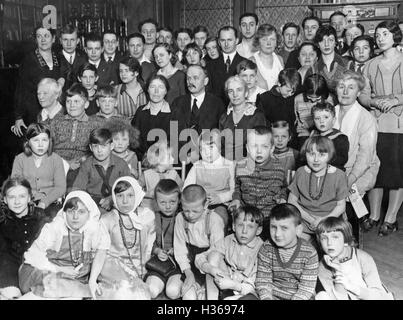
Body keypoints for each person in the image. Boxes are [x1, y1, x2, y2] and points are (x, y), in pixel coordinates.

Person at [19, 191, 110, 299]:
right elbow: (33, 257)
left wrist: (92, 280)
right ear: (64, 212)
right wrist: (60, 269)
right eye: (71, 211)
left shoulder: (94, 229)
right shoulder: (54, 228)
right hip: (44, 272)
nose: (75, 217)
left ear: (89, 213)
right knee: (55, 285)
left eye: (81, 212)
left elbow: (101, 251)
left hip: (76, 280)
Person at [359, 21, 403, 236]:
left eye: (385, 34)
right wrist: (375, 102)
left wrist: (395, 100)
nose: (380, 38)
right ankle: (374, 215)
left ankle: (391, 218)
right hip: (375, 124)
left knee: (397, 173)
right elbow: (363, 95)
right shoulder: (370, 65)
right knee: (375, 169)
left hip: (400, 125)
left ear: (395, 36)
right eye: (377, 35)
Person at [333, 71, 379, 242]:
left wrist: (348, 180)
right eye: (341, 87)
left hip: (359, 171)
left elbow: (365, 156)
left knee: (350, 208)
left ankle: (354, 246)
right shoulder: (330, 112)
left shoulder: (367, 118)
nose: (345, 92)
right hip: (335, 170)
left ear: (358, 92)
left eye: (351, 88)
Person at [229, 126, 287, 239]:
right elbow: (237, 187)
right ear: (247, 148)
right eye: (254, 146)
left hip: (268, 217)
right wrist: (236, 199)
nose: (259, 151)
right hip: (247, 216)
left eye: (264, 146)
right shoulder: (241, 166)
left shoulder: (279, 168)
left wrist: (283, 198)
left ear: (271, 149)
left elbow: (284, 187)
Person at [315, 217, 393, 300]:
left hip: (372, 296)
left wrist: (350, 286)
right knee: (321, 296)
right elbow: (339, 297)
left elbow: (378, 295)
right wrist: (338, 270)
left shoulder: (363, 257)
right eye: (324, 238)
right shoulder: (323, 265)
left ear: (345, 240)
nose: (329, 243)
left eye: (335, 237)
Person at [195, 205, 264, 300]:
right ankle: (211, 295)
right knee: (214, 255)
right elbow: (200, 257)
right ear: (234, 227)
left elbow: (255, 286)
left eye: (250, 227)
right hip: (225, 282)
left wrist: (233, 285)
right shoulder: (229, 240)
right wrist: (211, 269)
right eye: (240, 225)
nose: (244, 231)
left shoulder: (262, 249)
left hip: (246, 291)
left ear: (258, 230)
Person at [288, 136, 349, 242]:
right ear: (305, 154)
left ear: (330, 155)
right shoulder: (301, 172)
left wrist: (323, 220)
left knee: (332, 247)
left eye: (322, 154)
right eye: (311, 154)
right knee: (296, 247)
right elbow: (291, 201)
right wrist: (310, 219)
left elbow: (341, 207)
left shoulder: (339, 175)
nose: (316, 159)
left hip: (330, 221)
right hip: (305, 220)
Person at [98, 176, 155, 287]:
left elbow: (149, 247)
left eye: (130, 195)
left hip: (140, 267)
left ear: (137, 195)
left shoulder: (147, 216)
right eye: (120, 196)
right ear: (114, 197)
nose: (125, 201)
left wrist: (143, 269)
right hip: (113, 266)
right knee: (123, 290)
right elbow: (101, 252)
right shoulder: (107, 219)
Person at [254, 203, 318, 300]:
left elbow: (306, 289)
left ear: (298, 230)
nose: (277, 234)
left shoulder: (309, 253)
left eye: (284, 228)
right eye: (274, 227)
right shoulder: (267, 248)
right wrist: (267, 298)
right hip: (272, 295)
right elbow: (263, 281)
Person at [174, 184, 225, 300]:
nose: (190, 215)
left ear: (206, 205)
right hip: (189, 263)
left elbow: (217, 250)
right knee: (188, 297)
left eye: (195, 211)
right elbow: (179, 249)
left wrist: (203, 263)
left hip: (209, 264)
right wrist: (189, 274)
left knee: (207, 297)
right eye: (186, 210)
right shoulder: (180, 218)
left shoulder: (215, 220)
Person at [12, 26, 64, 137]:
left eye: (46, 36)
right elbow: (21, 89)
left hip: (56, 111)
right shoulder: (28, 60)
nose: (43, 40)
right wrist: (18, 117)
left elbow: (65, 77)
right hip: (34, 111)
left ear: (53, 38)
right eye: (39, 36)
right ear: (36, 40)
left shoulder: (59, 58)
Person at [49, 83, 104, 188]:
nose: (72, 105)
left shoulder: (95, 123)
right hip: (57, 164)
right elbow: (48, 147)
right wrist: (64, 164)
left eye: (76, 101)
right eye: (68, 102)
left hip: (82, 166)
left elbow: (98, 149)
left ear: (86, 104)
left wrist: (82, 160)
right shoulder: (56, 121)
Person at [0, 177, 47, 289]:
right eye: (12, 197)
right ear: (5, 199)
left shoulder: (41, 217)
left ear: (29, 197)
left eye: (22, 196)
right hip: (10, 268)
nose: (17, 202)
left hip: (37, 267)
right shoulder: (2, 223)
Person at [183, 129, 235, 228]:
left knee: (219, 218)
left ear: (219, 148)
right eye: (202, 149)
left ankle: (218, 242)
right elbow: (187, 188)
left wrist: (220, 198)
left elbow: (234, 190)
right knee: (192, 219)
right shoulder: (197, 166)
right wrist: (198, 199)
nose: (207, 153)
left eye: (211, 147)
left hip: (221, 204)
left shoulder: (229, 165)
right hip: (200, 204)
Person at [12, 123, 66, 217]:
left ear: (49, 141)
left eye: (44, 140)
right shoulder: (20, 159)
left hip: (50, 201)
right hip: (26, 201)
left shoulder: (56, 159)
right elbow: (16, 185)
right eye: (36, 140)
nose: (41, 145)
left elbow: (60, 188)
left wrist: (44, 202)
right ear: (28, 142)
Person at [71, 128, 130, 211]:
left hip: (117, 203)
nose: (99, 150)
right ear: (91, 148)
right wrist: (92, 201)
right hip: (91, 203)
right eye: (95, 146)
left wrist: (112, 199)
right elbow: (77, 189)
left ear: (112, 146)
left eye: (103, 146)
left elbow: (129, 188)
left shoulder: (121, 164)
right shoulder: (87, 165)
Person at [145, 179, 183, 299]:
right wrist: (156, 251)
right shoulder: (152, 217)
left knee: (172, 292)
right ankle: (161, 282)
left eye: (172, 202)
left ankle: (174, 283)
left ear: (179, 200)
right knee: (151, 290)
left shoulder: (183, 217)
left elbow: (189, 243)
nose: (167, 206)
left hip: (178, 264)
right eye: (162, 202)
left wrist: (177, 249)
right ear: (156, 201)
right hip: (158, 264)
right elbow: (147, 242)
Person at [219, 76, 266, 161]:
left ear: (246, 93)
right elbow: (221, 147)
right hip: (226, 164)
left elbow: (259, 146)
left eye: (239, 90)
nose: (235, 94)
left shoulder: (256, 116)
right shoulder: (224, 117)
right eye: (231, 91)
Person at [171, 64, 225, 136]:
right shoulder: (177, 102)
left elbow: (222, 133)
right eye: (188, 78)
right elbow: (172, 132)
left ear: (205, 81)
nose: (190, 82)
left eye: (195, 78)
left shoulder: (217, 104)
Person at [257, 68, 301, 149]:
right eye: (288, 90)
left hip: (292, 143)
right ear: (279, 83)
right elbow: (261, 124)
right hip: (272, 142)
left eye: (293, 92)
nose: (290, 94)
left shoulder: (295, 97)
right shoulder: (265, 98)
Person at [132, 74, 172, 157]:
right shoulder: (140, 111)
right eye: (152, 87)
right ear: (148, 90)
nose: (156, 91)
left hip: (165, 161)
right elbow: (134, 140)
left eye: (161, 87)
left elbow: (174, 142)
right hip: (142, 161)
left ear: (166, 91)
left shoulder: (174, 113)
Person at [206, 26, 247, 105]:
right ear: (219, 42)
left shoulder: (245, 63)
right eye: (223, 40)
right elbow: (208, 92)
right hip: (216, 111)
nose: (226, 44)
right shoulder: (210, 65)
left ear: (237, 40)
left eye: (230, 40)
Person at [139, 140, 183, 211]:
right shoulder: (147, 174)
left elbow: (181, 189)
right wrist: (147, 193)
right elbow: (136, 189)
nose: (173, 159)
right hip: (150, 208)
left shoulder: (173, 174)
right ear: (158, 159)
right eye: (169, 156)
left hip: (168, 208)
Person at [294, 73, 335, 149]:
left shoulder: (329, 100)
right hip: (303, 133)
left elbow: (330, 123)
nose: (313, 100)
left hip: (323, 131)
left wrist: (311, 133)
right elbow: (297, 119)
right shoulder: (298, 99)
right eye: (309, 97)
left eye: (317, 98)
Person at [310, 102, 349, 171]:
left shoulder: (340, 138)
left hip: (333, 173)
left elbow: (342, 159)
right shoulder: (313, 136)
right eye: (317, 118)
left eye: (326, 117)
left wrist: (322, 159)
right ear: (313, 121)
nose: (321, 121)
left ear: (333, 120)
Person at [314, 25, 348, 93]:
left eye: (330, 40)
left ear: (335, 42)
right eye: (322, 41)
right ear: (317, 44)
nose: (326, 44)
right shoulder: (313, 68)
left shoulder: (348, 64)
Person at [249, 24, 284, 91]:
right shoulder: (251, 61)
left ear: (276, 42)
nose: (268, 43)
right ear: (258, 41)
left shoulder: (280, 59)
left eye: (272, 39)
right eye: (264, 39)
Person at [116, 56, 147, 121]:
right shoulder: (116, 91)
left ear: (136, 73)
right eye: (121, 71)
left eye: (127, 71)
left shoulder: (147, 90)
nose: (123, 74)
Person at [58, 24, 86, 91]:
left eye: (72, 40)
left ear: (78, 41)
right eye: (65, 40)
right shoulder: (55, 58)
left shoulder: (84, 57)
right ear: (60, 41)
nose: (69, 44)